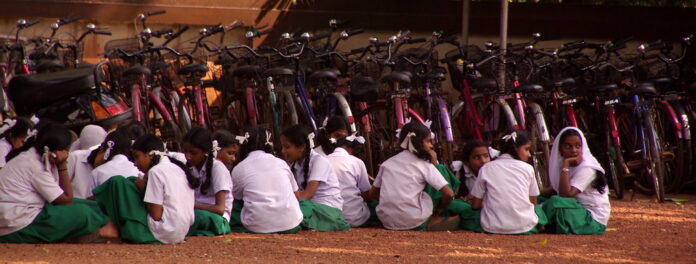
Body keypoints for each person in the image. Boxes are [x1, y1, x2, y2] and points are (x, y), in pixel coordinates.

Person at [0, 122, 118, 243]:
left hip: (21, 214)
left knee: (92, 206)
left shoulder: (34, 157)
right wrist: (62, 165)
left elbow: (62, 197)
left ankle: (105, 228)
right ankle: (102, 232)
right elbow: (66, 200)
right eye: (66, 150)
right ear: (57, 151)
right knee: (83, 213)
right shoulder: (35, 165)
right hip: (15, 224)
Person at [92, 134, 198, 244]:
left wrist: (144, 190)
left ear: (150, 155)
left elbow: (156, 215)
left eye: (137, 156)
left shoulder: (155, 171)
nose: (135, 163)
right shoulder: (177, 168)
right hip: (180, 234)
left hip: (163, 233)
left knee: (117, 182)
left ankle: (113, 226)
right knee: (131, 180)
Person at [368, 122, 457, 231]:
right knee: (439, 171)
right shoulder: (424, 165)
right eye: (428, 141)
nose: (431, 145)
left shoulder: (387, 163)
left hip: (387, 221)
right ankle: (434, 218)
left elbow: (372, 194)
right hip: (414, 221)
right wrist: (439, 209)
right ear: (419, 143)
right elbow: (449, 193)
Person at [469, 129, 547, 234]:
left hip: (492, 227)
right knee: (540, 210)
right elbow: (532, 203)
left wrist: (491, 203)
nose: (529, 154)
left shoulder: (486, 168)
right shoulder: (528, 168)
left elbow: (475, 205)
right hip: (525, 226)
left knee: (467, 212)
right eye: (527, 149)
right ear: (515, 149)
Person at [230, 126, 303, 234]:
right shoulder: (281, 163)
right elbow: (297, 196)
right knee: (305, 204)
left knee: (233, 206)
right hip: (291, 225)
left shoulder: (240, 168)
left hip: (257, 227)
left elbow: (236, 198)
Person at [281, 124, 349, 232]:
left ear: (301, 147)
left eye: (287, 147)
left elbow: (307, 195)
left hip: (327, 212)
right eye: (283, 147)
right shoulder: (294, 165)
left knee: (292, 210)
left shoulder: (319, 161)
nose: (283, 151)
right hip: (308, 206)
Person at [543, 127, 610, 235]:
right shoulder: (565, 164)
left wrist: (566, 164)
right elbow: (555, 190)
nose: (574, 150)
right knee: (540, 200)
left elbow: (565, 195)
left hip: (592, 219)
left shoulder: (587, 169)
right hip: (576, 209)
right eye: (568, 146)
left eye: (578, 146)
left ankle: (540, 223)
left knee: (554, 202)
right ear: (560, 149)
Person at [182, 127, 233, 236]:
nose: (188, 156)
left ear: (205, 151)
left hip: (218, 219)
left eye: (193, 152)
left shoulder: (218, 168)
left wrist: (191, 205)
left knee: (197, 216)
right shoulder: (190, 168)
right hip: (195, 212)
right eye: (185, 151)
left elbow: (220, 209)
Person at [323, 132, 375, 227]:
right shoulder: (357, 162)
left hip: (327, 217)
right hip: (354, 218)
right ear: (346, 147)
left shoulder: (323, 160)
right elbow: (366, 194)